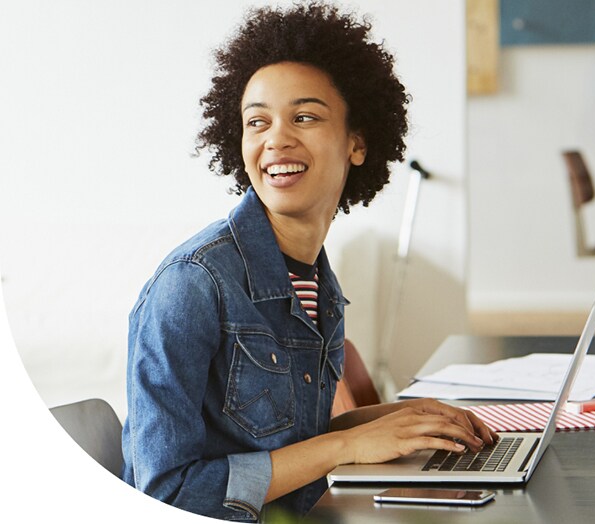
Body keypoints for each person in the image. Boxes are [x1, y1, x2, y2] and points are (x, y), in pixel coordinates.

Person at [121, 2, 498, 522]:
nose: (277, 137)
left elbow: (288, 440)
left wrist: (395, 420)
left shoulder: (312, 277)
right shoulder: (192, 284)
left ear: (357, 143)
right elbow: (163, 494)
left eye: (305, 116)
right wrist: (348, 446)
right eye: (258, 122)